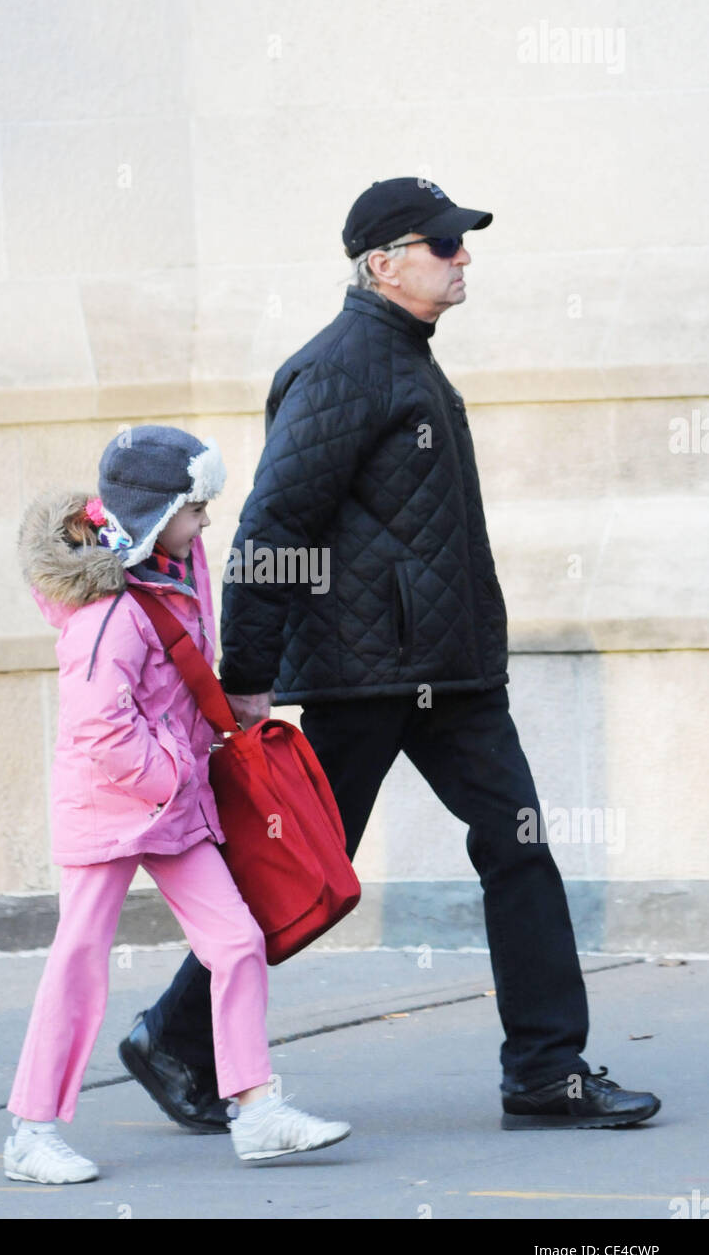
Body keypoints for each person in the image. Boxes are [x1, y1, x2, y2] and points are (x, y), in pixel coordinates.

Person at [119, 178, 661, 1134]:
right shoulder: (340, 369)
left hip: (450, 678)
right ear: (382, 262)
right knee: (296, 868)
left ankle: (547, 1070)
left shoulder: (406, 358)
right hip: (362, 679)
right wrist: (245, 675)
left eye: (462, 243)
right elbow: (275, 523)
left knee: (520, 848)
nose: (462, 257)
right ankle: (176, 1035)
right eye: (443, 243)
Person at [3, 424, 350, 1183]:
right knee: (79, 963)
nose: (208, 522)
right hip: (111, 807)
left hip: (173, 803)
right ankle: (32, 1131)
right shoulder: (109, 612)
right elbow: (100, 728)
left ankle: (255, 1111)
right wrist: (173, 771)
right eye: (197, 507)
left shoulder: (175, 565)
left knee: (235, 944)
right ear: (158, 512)